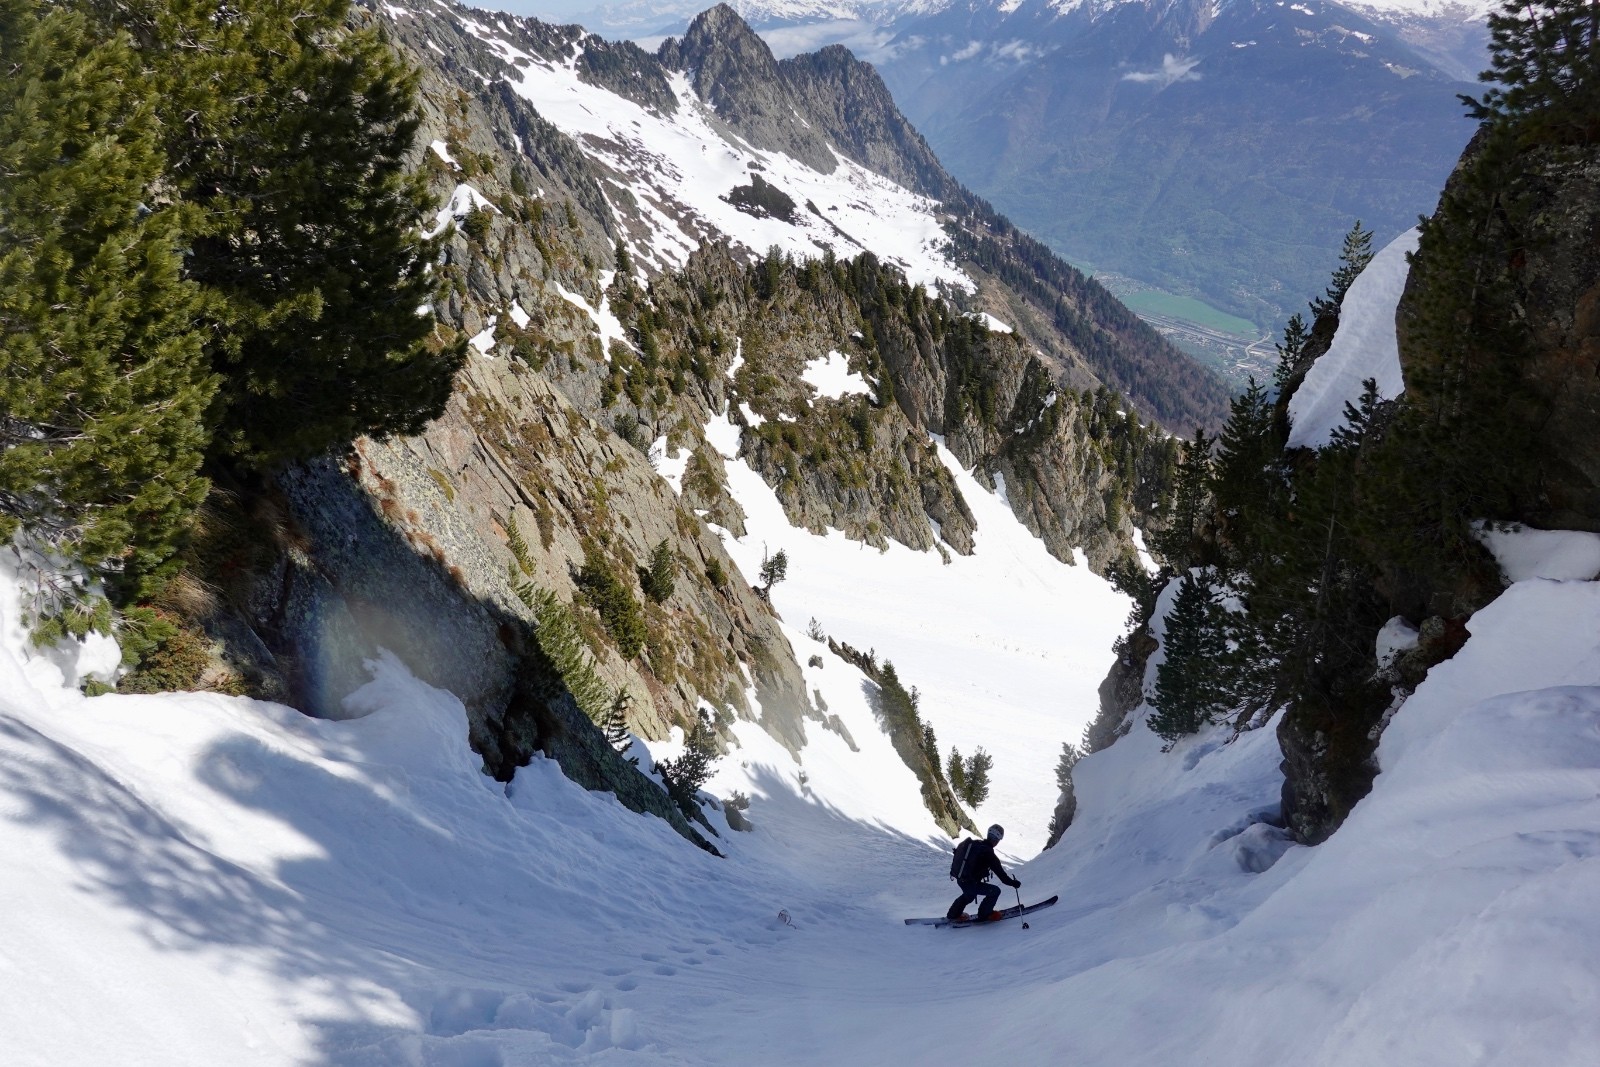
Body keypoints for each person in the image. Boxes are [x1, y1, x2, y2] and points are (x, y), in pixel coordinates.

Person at [946, 824, 1020, 922]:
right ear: (996, 840)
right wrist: (1013, 883)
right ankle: (985, 915)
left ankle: (953, 915)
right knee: (995, 891)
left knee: (969, 895)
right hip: (970, 883)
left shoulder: (976, 844)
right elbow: (1002, 876)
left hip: (961, 878)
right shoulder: (988, 854)